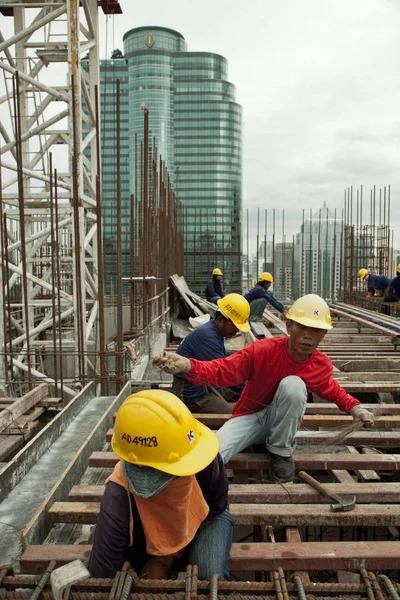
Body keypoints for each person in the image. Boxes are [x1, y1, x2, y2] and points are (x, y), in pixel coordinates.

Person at [153, 294, 375, 484]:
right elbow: (224, 370)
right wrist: (190, 365)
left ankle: (280, 452)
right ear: (289, 327)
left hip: (282, 425)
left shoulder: (320, 364)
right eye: (303, 327)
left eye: (316, 330)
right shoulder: (262, 350)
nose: (309, 335)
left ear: (324, 334)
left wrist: (355, 408)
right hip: (250, 418)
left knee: (294, 385)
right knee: (212, 456)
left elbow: (333, 390)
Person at [88, 389, 233, 579]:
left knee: (209, 576)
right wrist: (155, 557)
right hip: (144, 534)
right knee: (120, 570)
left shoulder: (205, 459)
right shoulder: (119, 499)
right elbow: (102, 574)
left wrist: (166, 557)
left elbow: (215, 508)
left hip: (205, 518)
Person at [172, 293, 250, 414]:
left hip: (204, 387)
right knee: (233, 415)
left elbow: (223, 361)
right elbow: (224, 374)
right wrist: (254, 387)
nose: (237, 330)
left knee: (245, 394)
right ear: (220, 320)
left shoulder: (214, 332)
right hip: (193, 395)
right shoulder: (208, 336)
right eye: (235, 326)